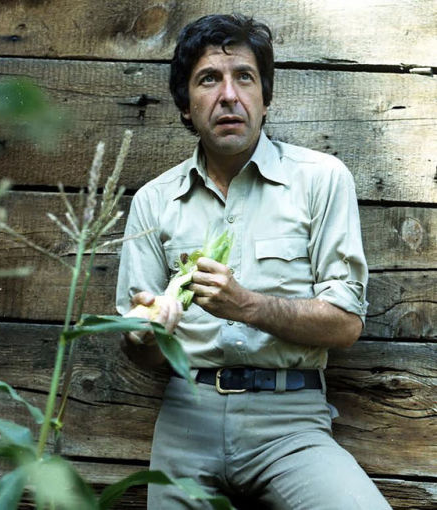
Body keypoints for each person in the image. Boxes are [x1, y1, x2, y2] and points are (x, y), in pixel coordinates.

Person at [116, 13, 392, 510]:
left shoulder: (321, 179)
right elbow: (140, 350)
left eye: (244, 77)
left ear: (265, 98)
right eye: (208, 79)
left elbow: (346, 324)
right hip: (187, 417)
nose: (228, 95)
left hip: (290, 424)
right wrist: (147, 333)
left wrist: (247, 305)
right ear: (185, 107)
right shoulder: (154, 201)